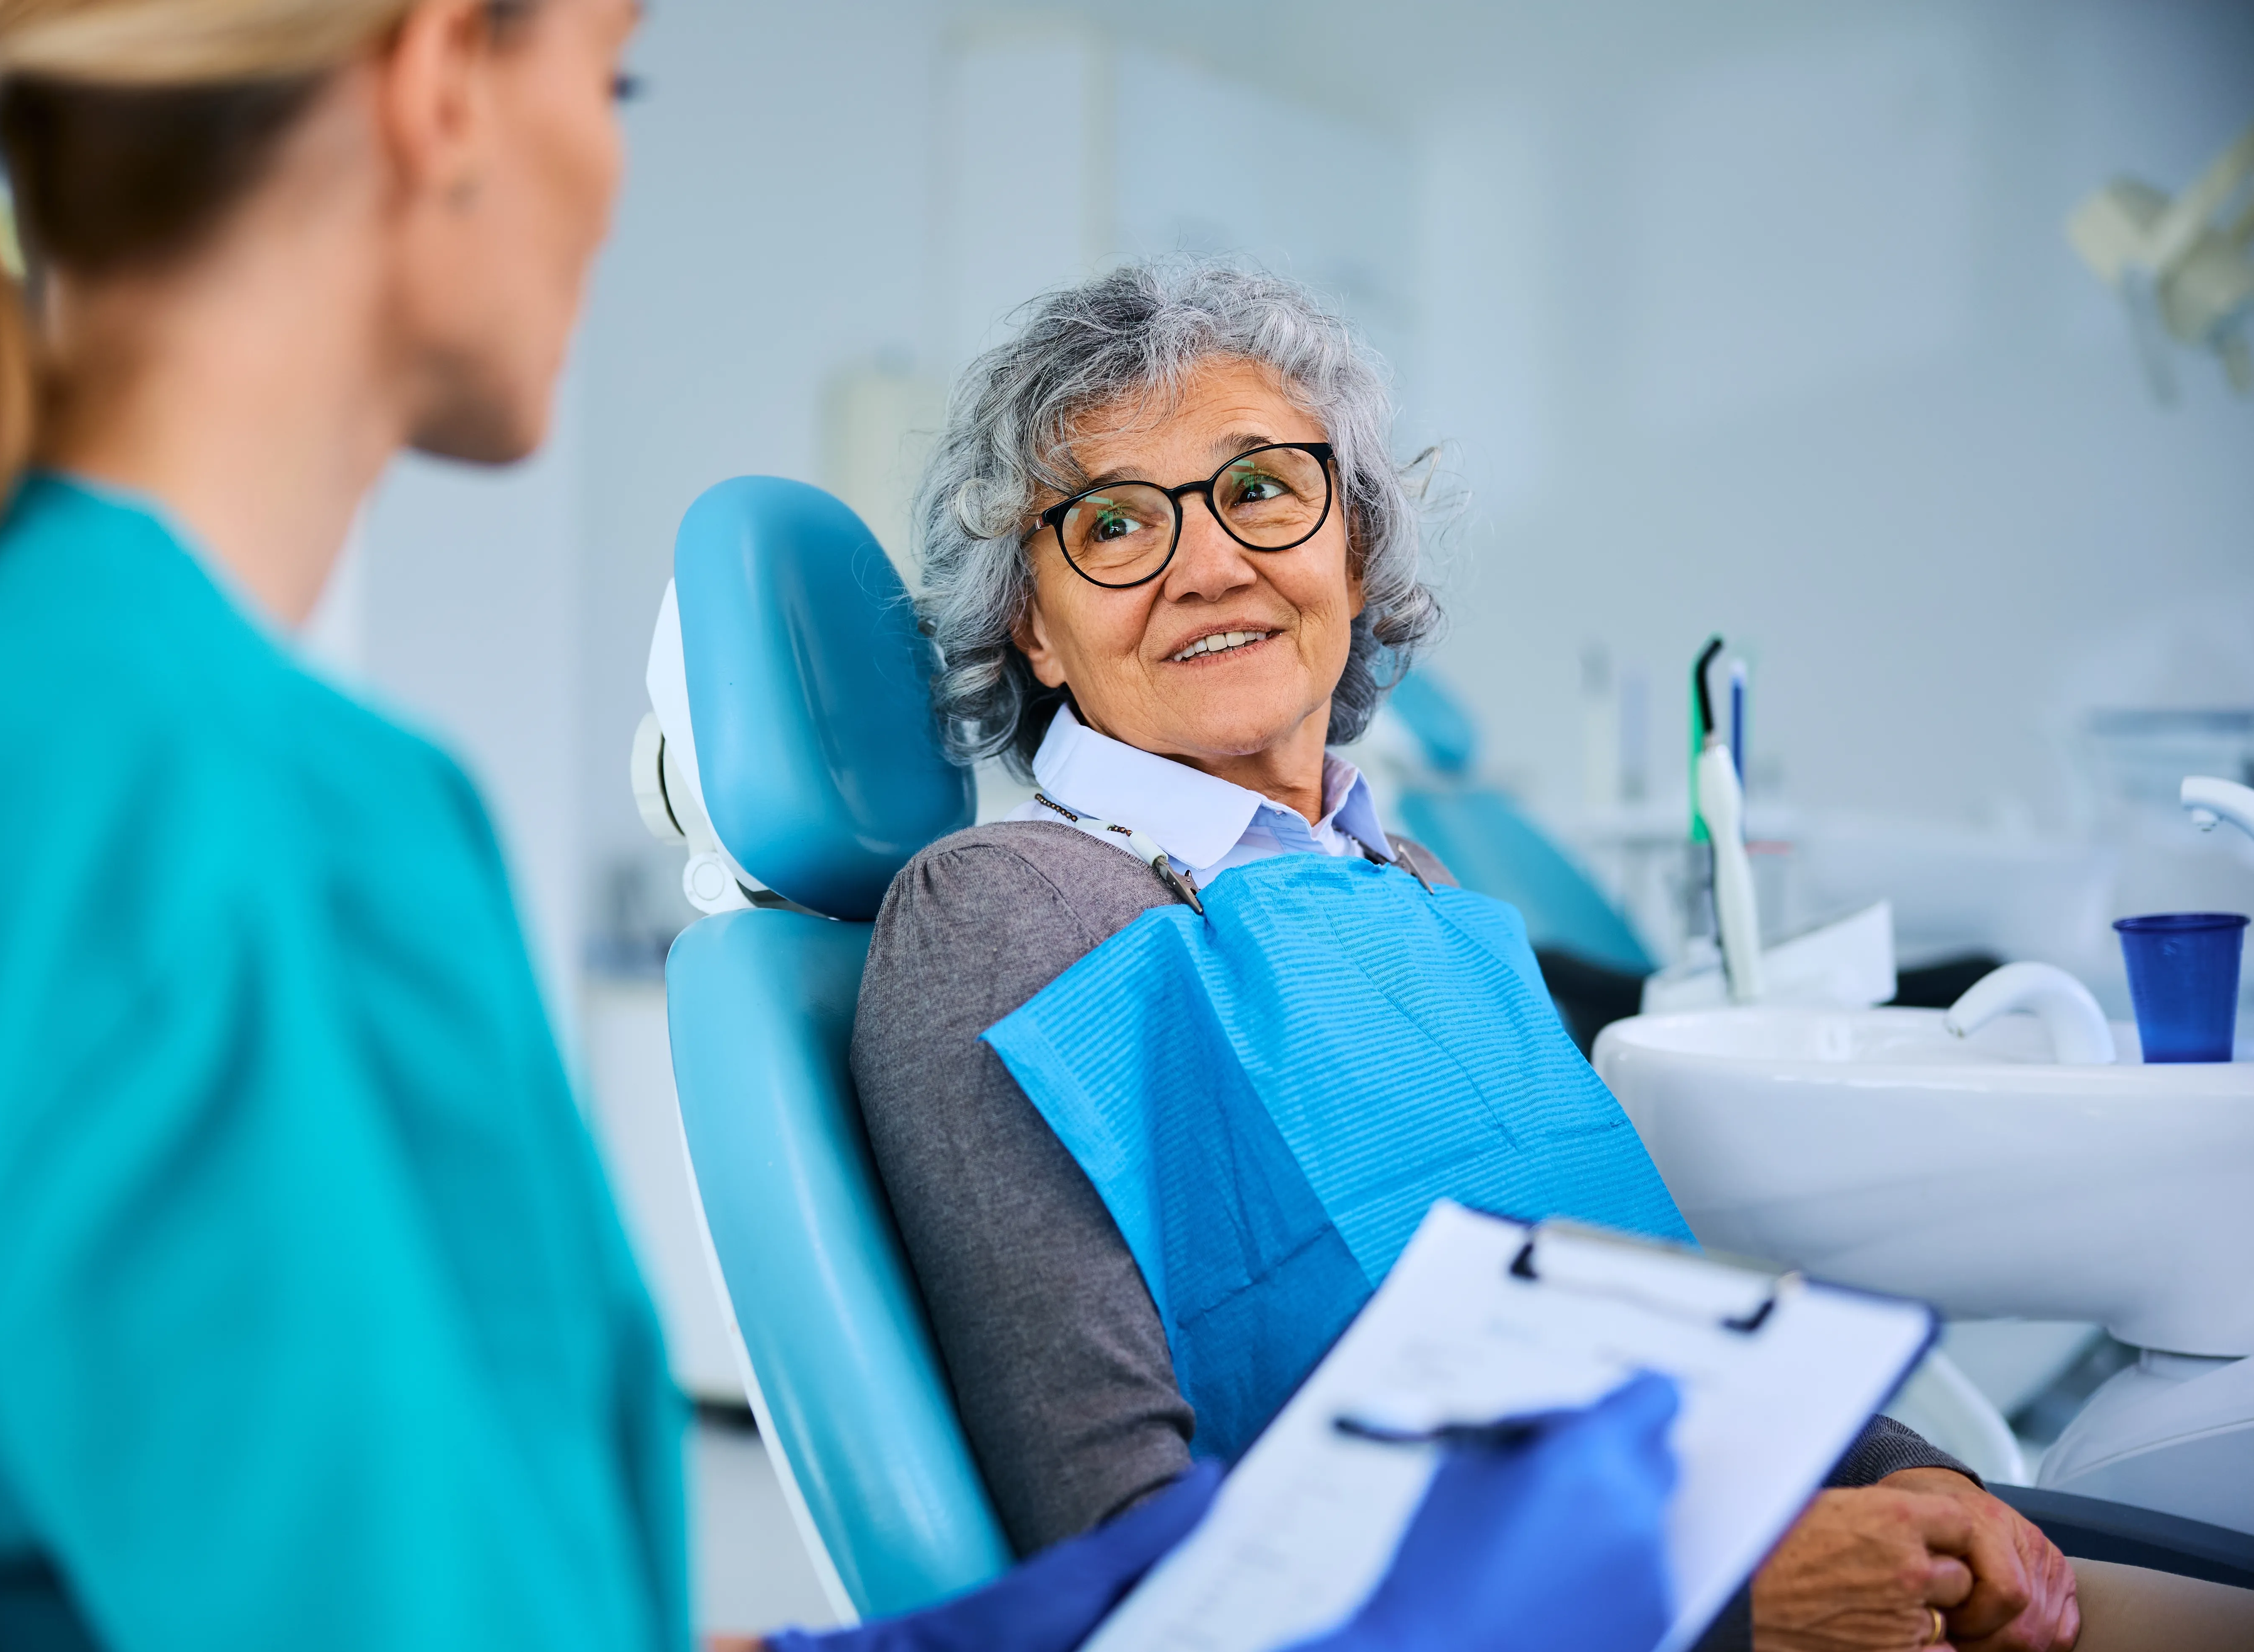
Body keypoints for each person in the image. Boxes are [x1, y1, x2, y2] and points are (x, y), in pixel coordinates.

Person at [0, 5, 1723, 1651]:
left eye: (1265, 496)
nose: (613, 189)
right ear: (446, 81)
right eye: (612, 86)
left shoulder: (8, 727)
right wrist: (1649, 1571)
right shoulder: (226, 813)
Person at [851, 261, 2254, 1652]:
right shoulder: (1001, 915)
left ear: (1354, 543)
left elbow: (1656, 1305)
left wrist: (1911, 1479)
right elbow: (1126, 1569)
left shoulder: (1414, 887)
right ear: (1032, 624)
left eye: (1263, 488)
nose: (1210, 562)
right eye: (1111, 524)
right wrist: (1717, 1606)